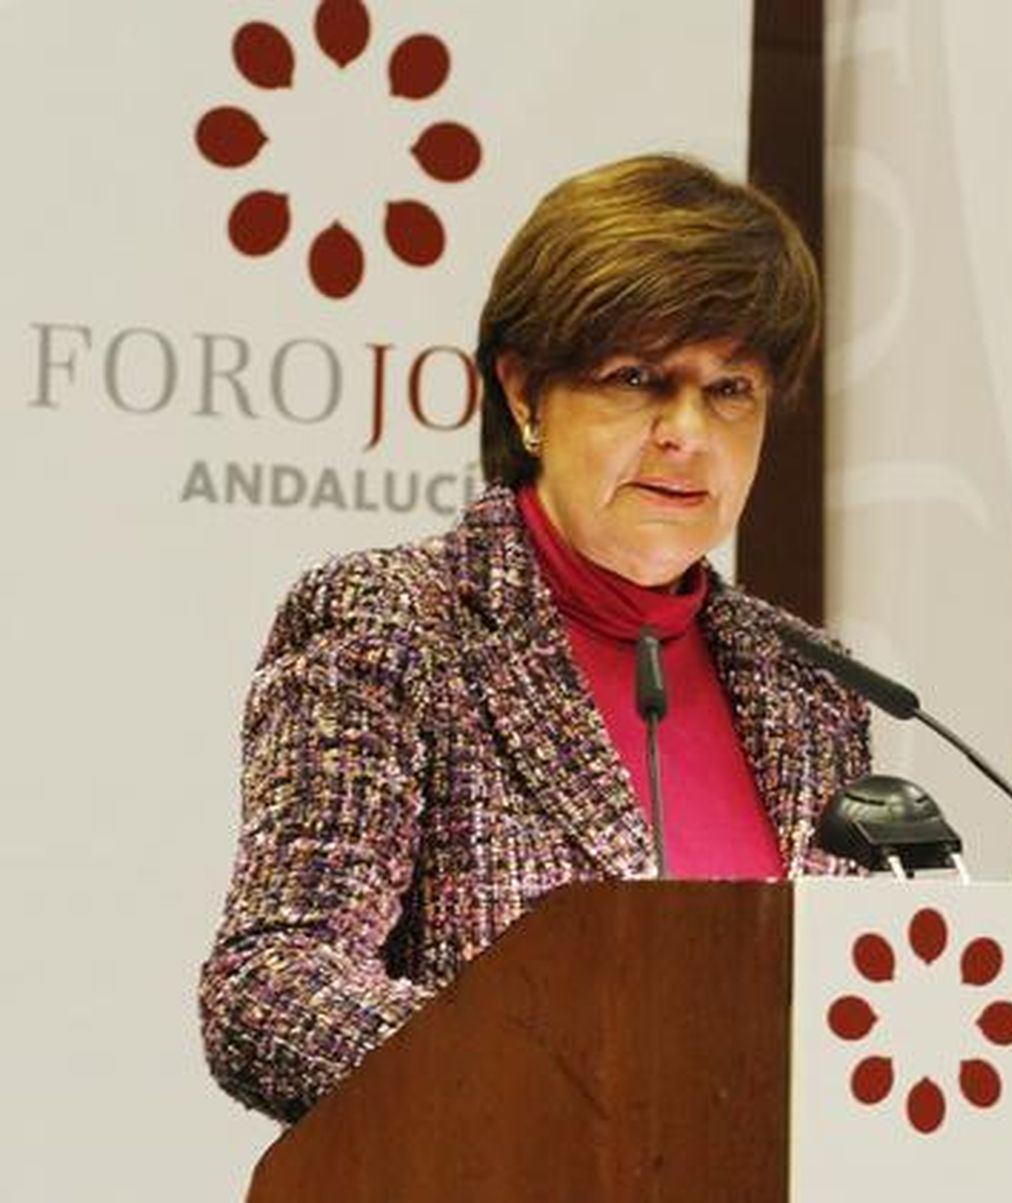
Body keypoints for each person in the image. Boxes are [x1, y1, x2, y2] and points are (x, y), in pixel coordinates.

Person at [199, 154, 870, 1123]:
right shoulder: (394, 625)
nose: (688, 431)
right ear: (524, 394)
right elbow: (270, 986)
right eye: (638, 379)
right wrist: (560, 1084)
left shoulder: (812, 688)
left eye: (731, 389)